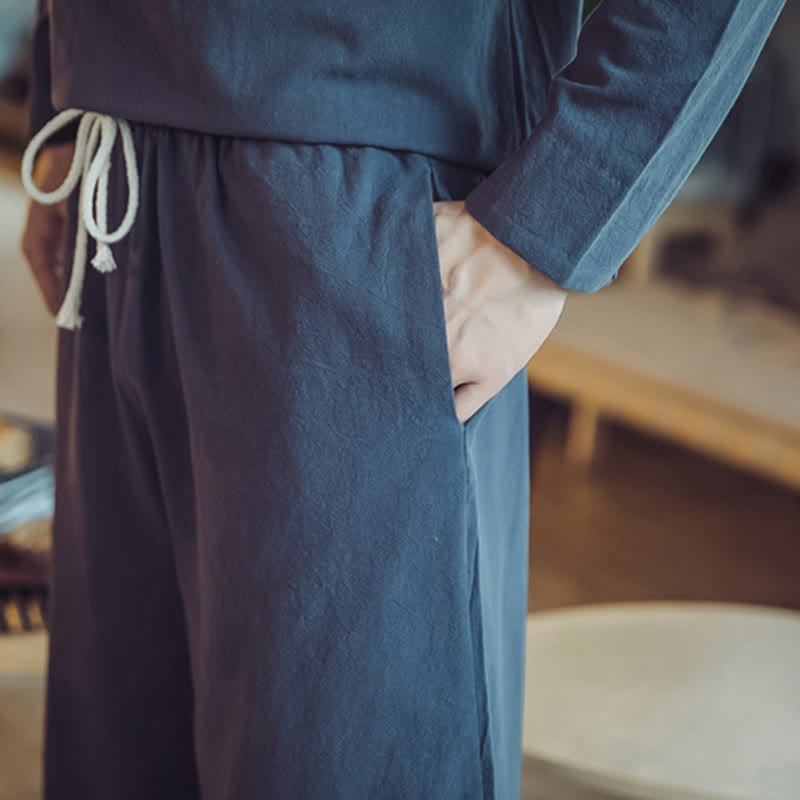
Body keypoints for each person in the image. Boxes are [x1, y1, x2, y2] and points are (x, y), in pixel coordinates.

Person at [18, 1, 785, 798]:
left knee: (340, 763)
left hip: (349, 195)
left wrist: (553, 216)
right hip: (116, 163)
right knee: (118, 757)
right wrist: (60, 93)